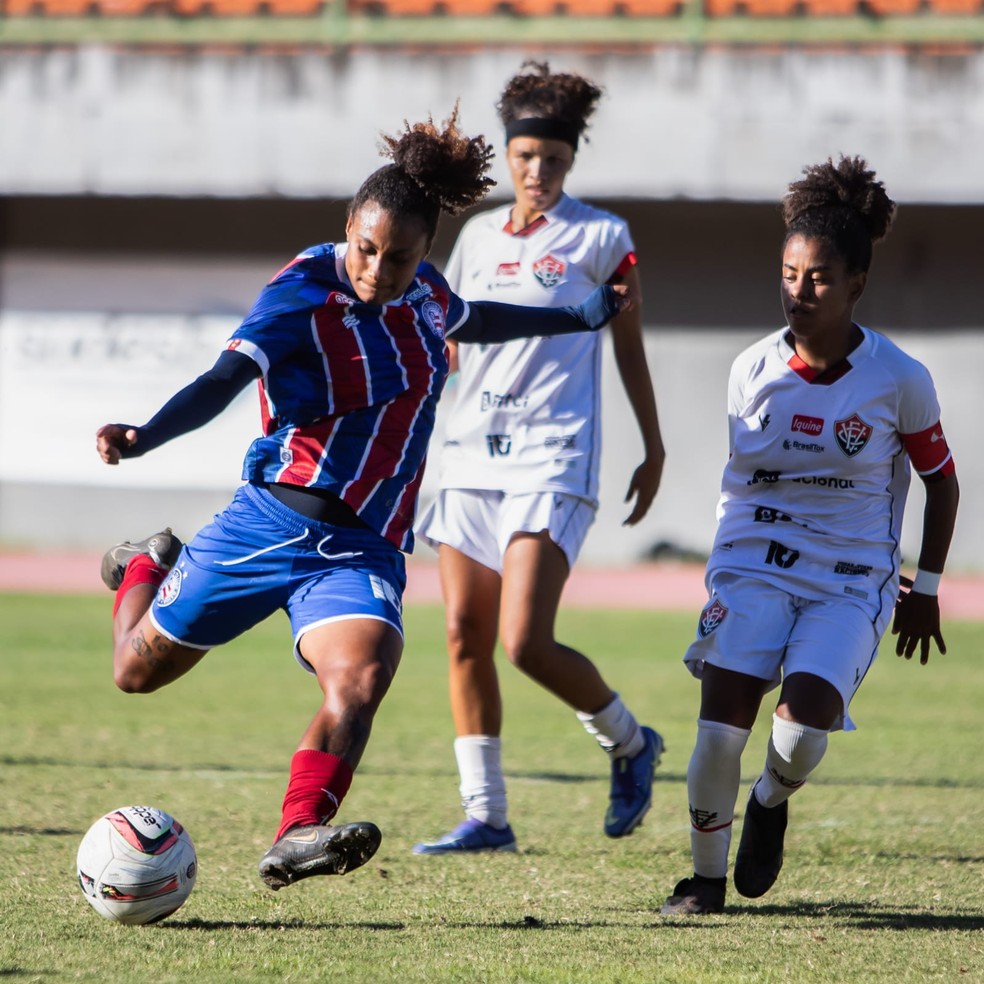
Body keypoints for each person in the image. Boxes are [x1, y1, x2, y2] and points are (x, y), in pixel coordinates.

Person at [94, 109, 632, 892]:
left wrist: (574, 316)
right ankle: (146, 562)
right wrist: (147, 435)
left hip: (362, 548)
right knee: (133, 673)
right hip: (269, 523)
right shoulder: (300, 294)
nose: (379, 269)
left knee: (364, 678)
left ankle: (298, 830)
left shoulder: (426, 297)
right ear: (349, 227)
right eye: (367, 248)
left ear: (426, 254)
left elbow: (476, 319)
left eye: (401, 257)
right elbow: (221, 382)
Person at [660, 156, 960, 915]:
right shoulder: (751, 368)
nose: (799, 290)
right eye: (789, 274)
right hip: (752, 567)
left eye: (819, 277)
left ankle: (770, 800)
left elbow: (943, 482)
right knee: (719, 735)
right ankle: (703, 883)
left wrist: (924, 589)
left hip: (851, 580)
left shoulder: (899, 377)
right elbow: (745, 481)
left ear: (857, 282)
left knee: (795, 739)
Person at [412, 62, 666, 856]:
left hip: (553, 457)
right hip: (469, 457)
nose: (537, 172)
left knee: (524, 640)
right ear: (509, 154)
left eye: (552, 159)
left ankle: (629, 742)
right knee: (461, 632)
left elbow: (627, 345)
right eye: (525, 157)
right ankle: (487, 816)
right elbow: (446, 340)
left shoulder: (603, 238)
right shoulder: (478, 236)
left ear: (570, 160)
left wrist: (654, 445)